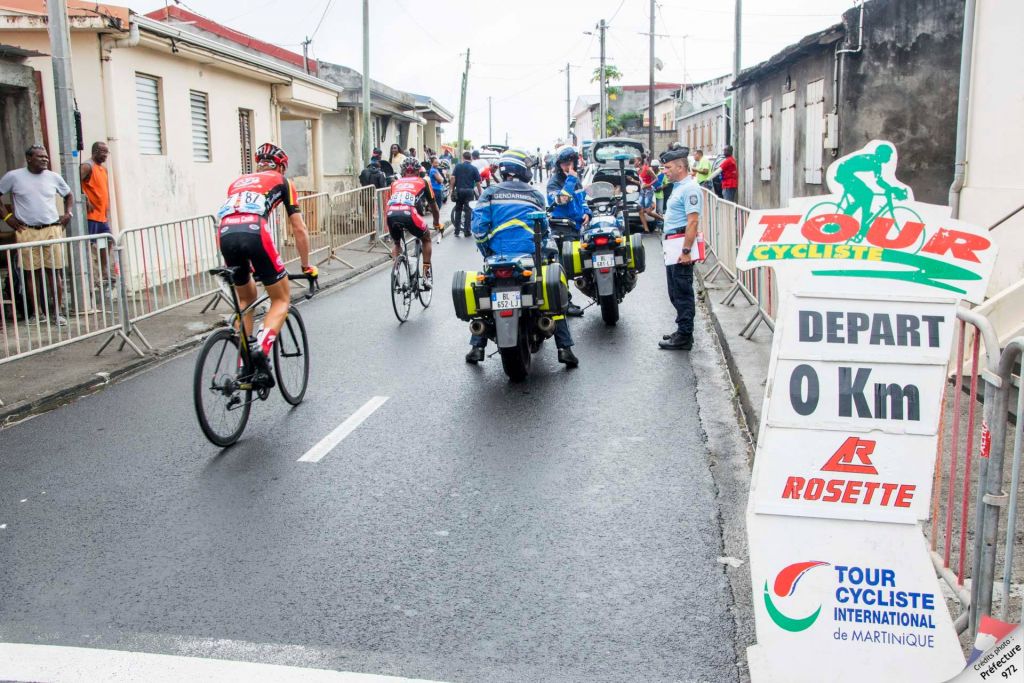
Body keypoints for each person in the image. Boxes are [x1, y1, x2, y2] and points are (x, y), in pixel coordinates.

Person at [466, 149, 579, 368]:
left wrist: (488, 251)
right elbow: (544, 230)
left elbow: (478, 228)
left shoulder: (489, 194)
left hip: (497, 258)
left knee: (486, 295)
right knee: (551, 293)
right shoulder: (534, 194)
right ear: (522, 169)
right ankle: (564, 348)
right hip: (530, 258)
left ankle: (477, 347)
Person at [216, 142, 316, 385]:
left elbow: (234, 217)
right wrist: (306, 266)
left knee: (245, 301)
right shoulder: (283, 182)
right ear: (280, 166)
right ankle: (261, 348)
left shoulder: (237, 182)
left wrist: (251, 269)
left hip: (225, 235)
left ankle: (245, 368)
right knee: (281, 299)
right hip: (254, 233)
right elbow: (299, 229)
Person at [0, 145, 73, 326]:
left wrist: (68, 213)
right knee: (31, 273)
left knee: (53, 272)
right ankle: (37, 313)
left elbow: (69, 194)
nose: (45, 159)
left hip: (51, 229)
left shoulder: (53, 177)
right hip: (27, 231)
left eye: (46, 157)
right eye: (40, 157)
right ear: (29, 158)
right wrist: (8, 219)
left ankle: (57, 312)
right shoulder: (13, 176)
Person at [658, 146, 702, 351]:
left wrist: (686, 252)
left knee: (683, 292)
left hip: (680, 245)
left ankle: (685, 336)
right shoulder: (678, 186)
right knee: (674, 291)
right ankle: (681, 329)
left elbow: (692, 222)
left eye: (667, 167)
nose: (664, 171)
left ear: (680, 167)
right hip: (673, 244)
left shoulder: (690, 188)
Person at [545, 146, 591, 317]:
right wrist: (570, 181)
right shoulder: (555, 181)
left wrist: (587, 212)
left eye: (570, 163)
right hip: (561, 230)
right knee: (563, 269)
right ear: (559, 164)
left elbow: (582, 201)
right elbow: (561, 200)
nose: (567, 166)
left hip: (576, 228)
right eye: (564, 163)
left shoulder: (576, 180)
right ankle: (566, 303)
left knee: (578, 265)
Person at [386, 157, 440, 286]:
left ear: (403, 171)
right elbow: (434, 207)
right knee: (426, 238)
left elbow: (390, 204)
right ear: (418, 171)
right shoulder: (424, 181)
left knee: (397, 244)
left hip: (391, 215)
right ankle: (426, 276)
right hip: (409, 213)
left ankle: (396, 270)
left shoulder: (394, 183)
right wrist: (436, 223)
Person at [834, 143, 905, 232]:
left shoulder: (877, 163)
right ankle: (847, 221)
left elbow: (879, 180)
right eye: (888, 155)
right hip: (844, 172)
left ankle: (863, 221)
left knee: (867, 194)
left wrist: (892, 189)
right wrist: (892, 189)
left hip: (847, 172)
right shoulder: (871, 160)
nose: (889, 158)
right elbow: (849, 165)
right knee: (866, 195)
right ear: (881, 154)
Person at [80, 141, 116, 294]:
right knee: (89, 246)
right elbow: (73, 182)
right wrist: (84, 198)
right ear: (95, 152)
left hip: (102, 215)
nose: (105, 155)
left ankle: (104, 271)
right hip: (91, 216)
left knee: (107, 242)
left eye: (107, 152)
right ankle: (91, 277)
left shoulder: (103, 169)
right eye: (103, 152)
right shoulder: (87, 166)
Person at [449, 150, 480, 237]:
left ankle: (457, 231)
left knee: (458, 210)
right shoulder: (474, 168)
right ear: (470, 158)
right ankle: (467, 231)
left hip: (459, 190)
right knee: (468, 211)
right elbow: (478, 182)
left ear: (463, 158)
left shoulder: (458, 166)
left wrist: (451, 189)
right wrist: (480, 193)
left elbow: (452, 178)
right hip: (469, 191)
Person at [635, 154, 663, 233]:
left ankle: (663, 219)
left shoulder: (647, 169)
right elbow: (641, 183)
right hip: (643, 192)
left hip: (649, 192)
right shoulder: (638, 171)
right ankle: (646, 229)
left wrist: (648, 185)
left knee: (648, 212)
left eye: (635, 161)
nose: (633, 163)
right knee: (640, 211)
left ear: (640, 162)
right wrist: (632, 181)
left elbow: (656, 179)